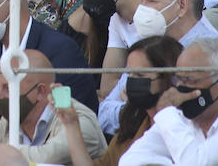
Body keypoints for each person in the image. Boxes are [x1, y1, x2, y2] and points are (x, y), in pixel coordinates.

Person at [119, 38, 218, 165]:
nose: (179, 89)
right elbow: (130, 161)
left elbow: (194, 162)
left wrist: (166, 111)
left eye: (189, 80)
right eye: (178, 79)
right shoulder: (183, 117)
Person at [0, 48, 105, 163]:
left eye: (8, 88)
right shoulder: (12, 119)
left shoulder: (76, 118)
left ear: (40, 91)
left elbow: (46, 157)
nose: (0, 96)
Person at [57, 36, 181, 166]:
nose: (130, 82)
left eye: (140, 75)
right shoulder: (133, 120)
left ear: (169, 79)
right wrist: (71, 124)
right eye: (129, 74)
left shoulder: (181, 127)